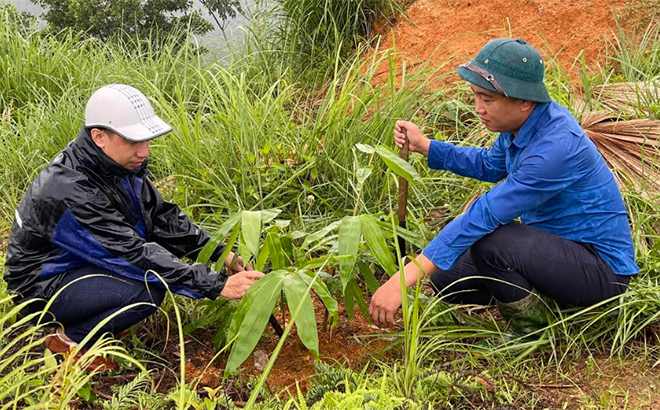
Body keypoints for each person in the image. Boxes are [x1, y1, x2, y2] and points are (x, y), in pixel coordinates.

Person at [369, 38, 638, 335]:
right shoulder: (524, 124)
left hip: (600, 271)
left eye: (488, 99)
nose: (478, 108)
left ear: (524, 100)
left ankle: (534, 327)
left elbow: (486, 213)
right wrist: (426, 146)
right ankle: (543, 297)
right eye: (475, 97)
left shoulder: (555, 149)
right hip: (555, 250)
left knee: (494, 243)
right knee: (447, 277)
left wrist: (403, 277)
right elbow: (489, 164)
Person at [4, 84, 264, 371]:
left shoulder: (115, 165)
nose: (144, 151)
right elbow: (130, 252)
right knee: (146, 290)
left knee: (143, 280)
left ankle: (96, 317)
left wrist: (219, 253)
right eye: (133, 142)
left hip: (76, 265)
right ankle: (71, 341)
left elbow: (162, 218)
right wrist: (217, 285)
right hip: (40, 286)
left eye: (147, 140)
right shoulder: (70, 188)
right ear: (99, 137)